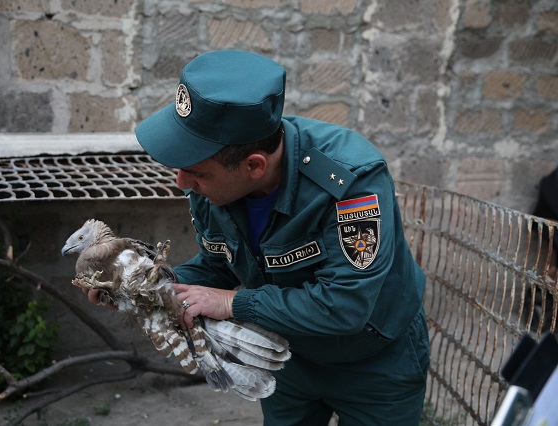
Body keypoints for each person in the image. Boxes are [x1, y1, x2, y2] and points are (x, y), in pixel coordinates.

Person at [87, 50, 429, 425]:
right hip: (288, 350)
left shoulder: (350, 182)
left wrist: (233, 303)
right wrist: (146, 288)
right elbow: (218, 264)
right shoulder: (212, 186)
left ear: (254, 166)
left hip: (374, 362)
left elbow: (344, 305)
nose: (182, 182)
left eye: (196, 172)